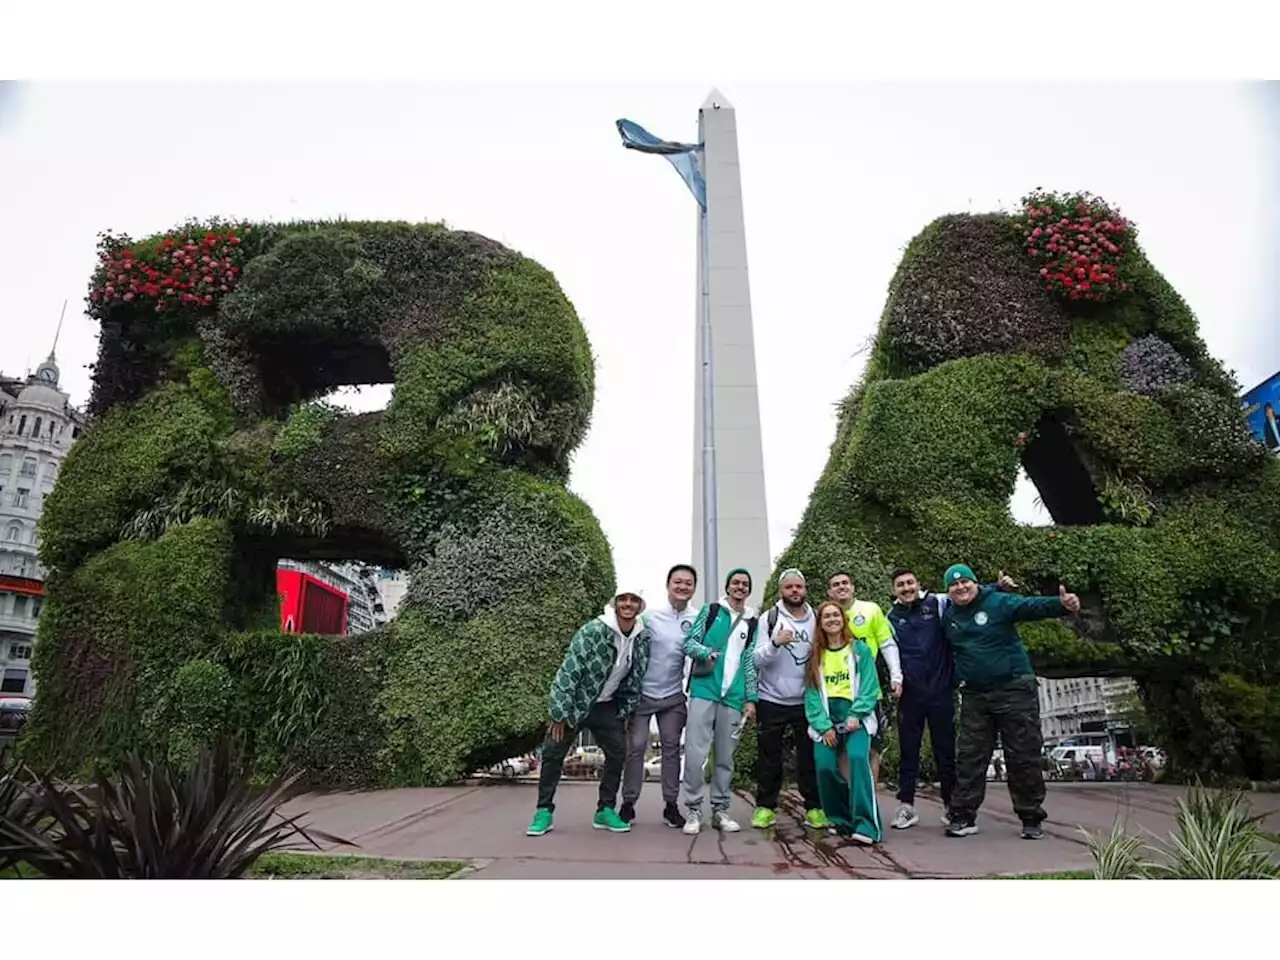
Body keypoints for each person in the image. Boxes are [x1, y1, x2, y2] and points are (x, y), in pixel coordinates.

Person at [939, 563, 1081, 840]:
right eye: (954, 585)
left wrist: (1062, 605)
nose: (960, 587)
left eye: (965, 582)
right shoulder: (950, 616)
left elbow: (1030, 607)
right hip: (975, 695)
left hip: (1014, 688)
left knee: (1023, 755)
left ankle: (1030, 816)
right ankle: (964, 816)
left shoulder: (999, 602)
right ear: (948, 591)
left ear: (975, 583)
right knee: (969, 757)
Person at [885, 566, 1015, 830]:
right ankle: (906, 806)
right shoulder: (890, 616)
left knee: (945, 751)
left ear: (917, 582)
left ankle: (950, 805)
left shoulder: (938, 602)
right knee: (908, 751)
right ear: (894, 589)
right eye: (901, 585)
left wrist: (997, 587)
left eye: (910, 582)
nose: (907, 588)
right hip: (910, 695)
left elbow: (965, 592)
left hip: (941, 691)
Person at [526, 587, 651, 837]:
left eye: (633, 600)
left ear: (640, 606)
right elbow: (570, 669)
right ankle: (543, 811)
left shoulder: (641, 637)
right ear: (615, 604)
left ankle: (605, 809)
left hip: (606, 706)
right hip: (576, 704)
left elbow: (636, 676)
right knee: (553, 752)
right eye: (623, 599)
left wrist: (624, 710)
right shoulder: (594, 630)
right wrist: (559, 712)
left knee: (617, 753)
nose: (628, 604)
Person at [680, 567, 759, 835]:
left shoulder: (752, 621)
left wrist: (751, 698)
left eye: (745, 584)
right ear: (727, 587)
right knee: (695, 754)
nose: (740, 587)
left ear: (749, 589)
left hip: (733, 697)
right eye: (735, 583)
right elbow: (689, 643)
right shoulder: (711, 611)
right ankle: (692, 810)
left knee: (725, 757)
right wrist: (706, 652)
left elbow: (749, 661)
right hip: (705, 690)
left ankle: (720, 811)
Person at [750, 568, 828, 830]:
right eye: (789, 587)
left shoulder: (817, 617)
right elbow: (756, 659)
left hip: (807, 700)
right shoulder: (769, 618)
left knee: (809, 758)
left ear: (805, 589)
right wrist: (775, 643)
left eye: (799, 587)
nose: (795, 591)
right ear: (781, 591)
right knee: (770, 757)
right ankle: (765, 807)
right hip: (771, 698)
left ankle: (815, 808)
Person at [619, 564, 696, 828]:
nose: (682, 587)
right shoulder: (649, 617)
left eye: (688, 583)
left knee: (672, 748)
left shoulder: (697, 618)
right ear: (668, 585)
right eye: (677, 582)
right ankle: (628, 803)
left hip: (674, 695)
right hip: (643, 694)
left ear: (693, 588)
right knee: (636, 747)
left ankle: (671, 805)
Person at [804, 599, 883, 845]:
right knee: (824, 765)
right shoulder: (816, 657)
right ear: (820, 624)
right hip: (827, 718)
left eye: (836, 615)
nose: (832, 620)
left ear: (843, 619)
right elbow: (812, 694)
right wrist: (823, 725)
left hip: (855, 716)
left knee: (859, 758)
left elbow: (870, 686)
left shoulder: (859, 650)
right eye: (826, 616)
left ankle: (867, 825)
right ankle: (841, 819)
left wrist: (856, 714)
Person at [827, 571, 902, 783]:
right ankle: (851, 800)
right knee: (842, 749)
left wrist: (896, 676)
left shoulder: (871, 610)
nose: (841, 587)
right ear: (829, 591)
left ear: (853, 587)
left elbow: (887, 644)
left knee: (871, 747)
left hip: (869, 692)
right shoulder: (826, 615)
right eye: (836, 584)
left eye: (845, 583)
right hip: (838, 693)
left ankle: (869, 801)